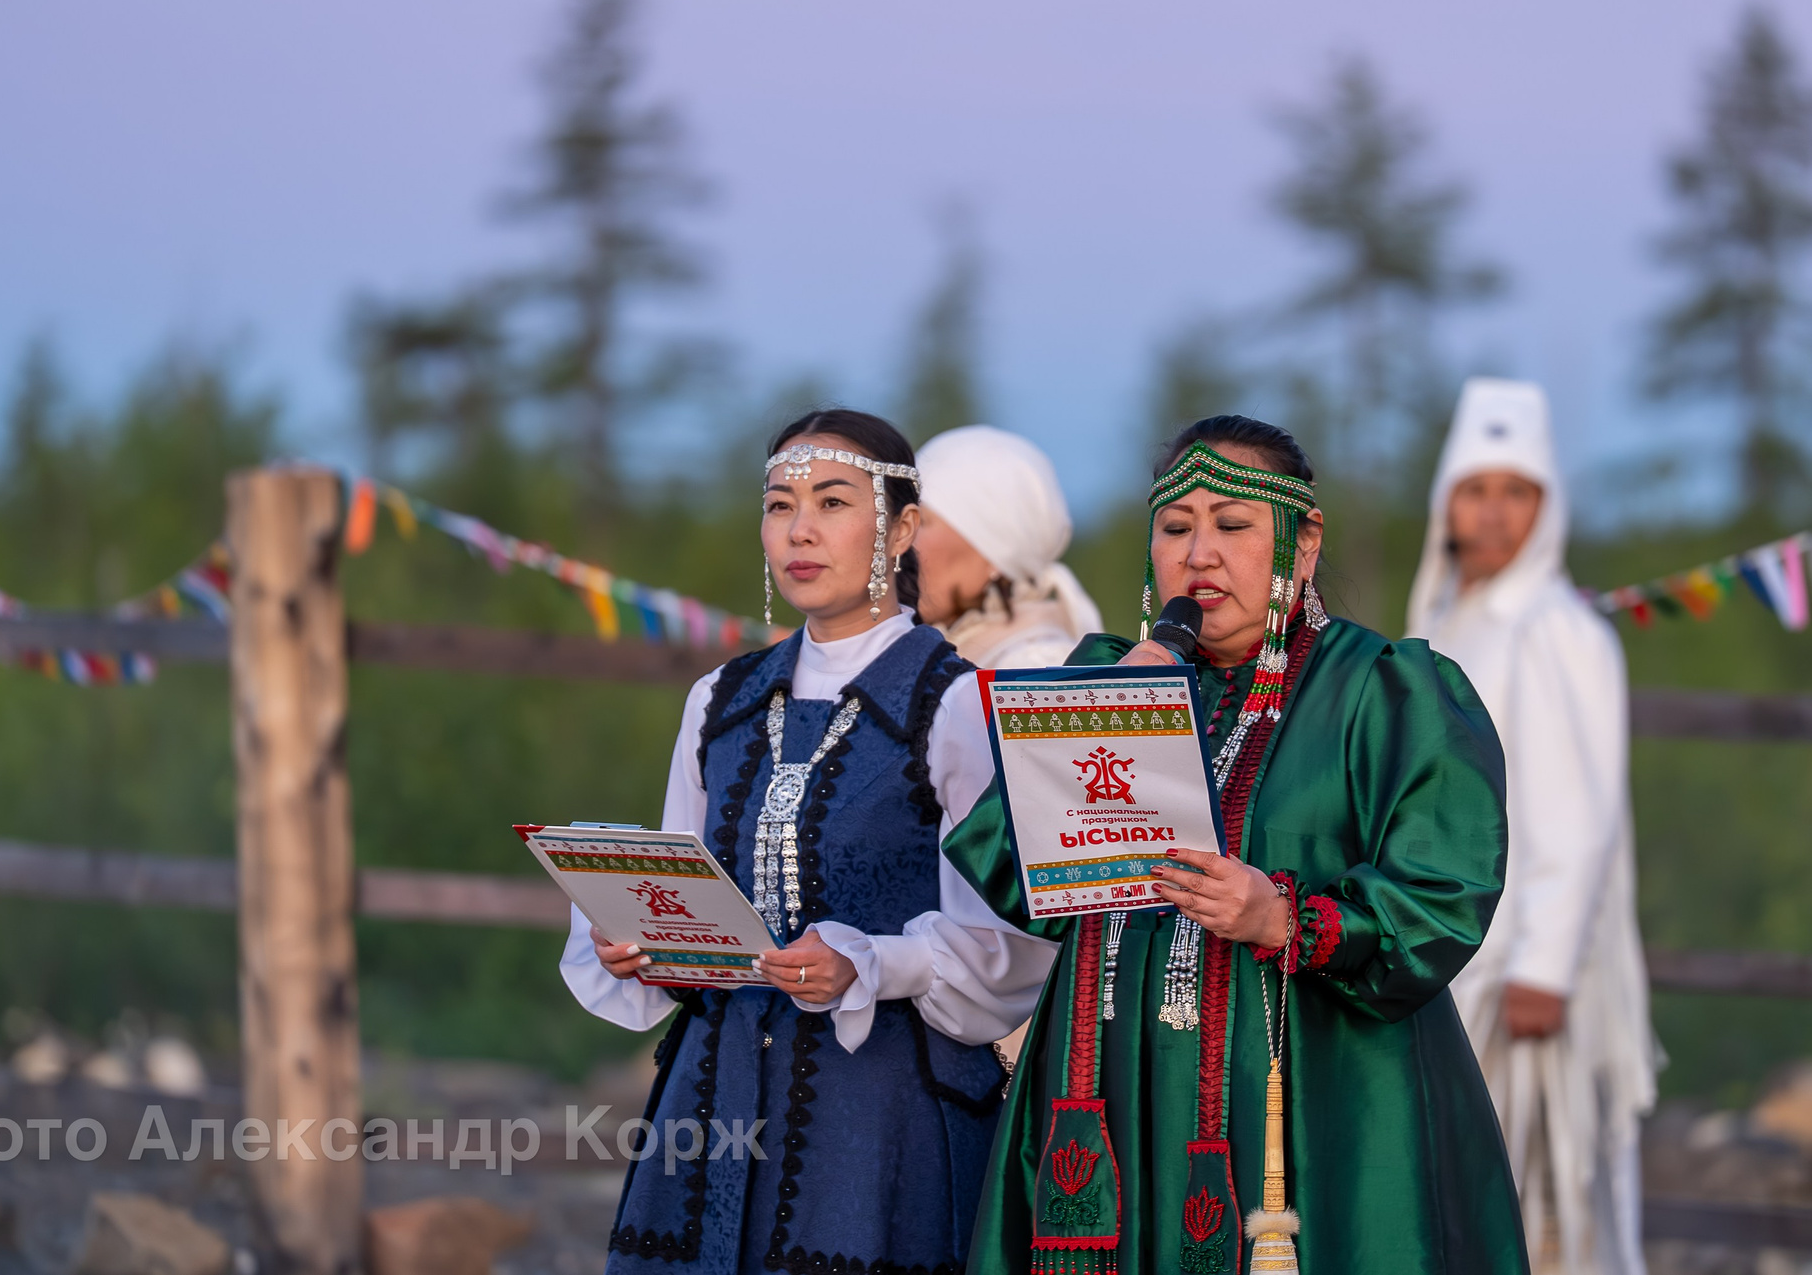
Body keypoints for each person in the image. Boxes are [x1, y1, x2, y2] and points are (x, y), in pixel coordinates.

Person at [945, 414, 1526, 1275]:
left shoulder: (1382, 691)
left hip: (1315, 1099)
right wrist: (1104, 711)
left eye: (1233, 525)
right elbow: (1009, 869)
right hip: (1115, 1100)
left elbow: (1443, 888)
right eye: (1176, 529)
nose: (1199, 554)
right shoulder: (1107, 672)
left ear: (1301, 541)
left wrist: (1287, 917)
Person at [560, 407, 1059, 1273]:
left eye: (832, 502)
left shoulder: (961, 703)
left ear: (902, 528)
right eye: (779, 502)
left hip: (884, 1112)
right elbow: (686, 874)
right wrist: (639, 942)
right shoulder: (722, 698)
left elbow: (1011, 941)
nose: (799, 529)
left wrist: (870, 961)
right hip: (714, 1091)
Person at [1406, 378, 1660, 1275]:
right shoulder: (1442, 620)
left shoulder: (1560, 631)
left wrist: (1545, 966)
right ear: (1449, 500)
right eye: (1478, 489)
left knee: (1541, 1208)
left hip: (1519, 974)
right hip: (1452, 960)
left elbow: (1578, 814)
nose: (1495, 513)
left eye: (1518, 492)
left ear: (1547, 507)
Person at [913, 424, 1104, 668]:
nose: (899, 542)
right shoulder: (959, 650)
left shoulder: (1032, 667)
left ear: (994, 552)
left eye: (922, 522)